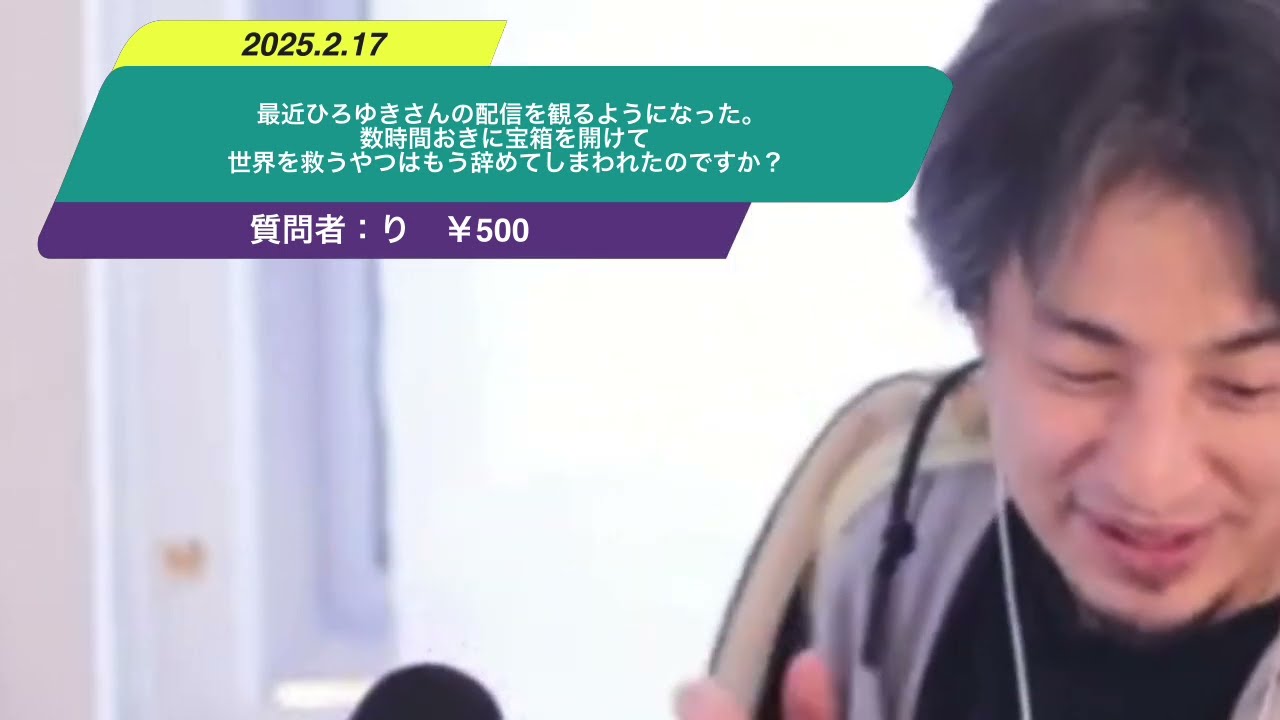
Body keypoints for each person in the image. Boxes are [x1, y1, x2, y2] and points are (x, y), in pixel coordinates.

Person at [676, 0, 1280, 718]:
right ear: (977, 314)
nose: (1152, 479)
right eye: (1081, 370)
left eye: (1247, 385)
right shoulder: (888, 534)